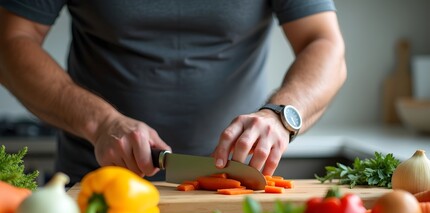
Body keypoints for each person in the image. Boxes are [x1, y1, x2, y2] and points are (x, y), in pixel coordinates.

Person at [0, 1, 346, 185]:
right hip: (97, 187)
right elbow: (11, 40)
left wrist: (281, 114)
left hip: (237, 190)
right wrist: (101, 122)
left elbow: (325, 42)